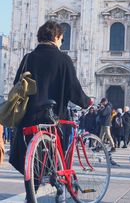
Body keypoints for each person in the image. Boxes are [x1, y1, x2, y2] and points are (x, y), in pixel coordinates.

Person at [9, 21, 92, 197]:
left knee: (31, 157)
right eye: (62, 38)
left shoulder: (28, 58)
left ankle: (32, 190)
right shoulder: (64, 59)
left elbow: (17, 84)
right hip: (53, 118)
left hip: (29, 117)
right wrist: (87, 102)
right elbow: (73, 90)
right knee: (58, 143)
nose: (62, 42)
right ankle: (56, 175)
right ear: (56, 37)